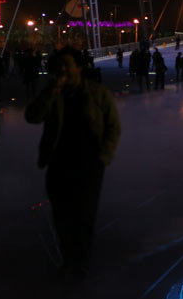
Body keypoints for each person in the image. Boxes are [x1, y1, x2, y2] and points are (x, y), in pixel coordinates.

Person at [25, 47, 121, 280]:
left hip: (89, 164)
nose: (63, 70)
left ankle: (81, 262)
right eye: (59, 65)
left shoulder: (98, 94)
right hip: (58, 163)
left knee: (84, 215)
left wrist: (103, 157)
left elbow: (113, 127)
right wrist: (51, 91)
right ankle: (69, 260)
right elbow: (32, 117)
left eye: (68, 64)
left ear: (79, 67)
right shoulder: (52, 93)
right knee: (61, 215)